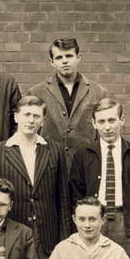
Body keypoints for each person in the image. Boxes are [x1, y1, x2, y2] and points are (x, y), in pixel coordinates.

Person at [0, 94, 70, 259]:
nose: (31, 120)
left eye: (36, 116)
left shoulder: (55, 150)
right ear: (16, 117)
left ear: (43, 120)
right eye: (26, 114)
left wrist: (64, 239)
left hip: (46, 235)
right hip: (11, 233)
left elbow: (63, 199)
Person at [69, 98, 130, 259]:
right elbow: (75, 196)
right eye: (101, 121)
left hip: (125, 224)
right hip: (92, 222)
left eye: (112, 120)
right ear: (94, 123)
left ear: (122, 120)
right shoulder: (83, 155)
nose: (107, 127)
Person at [27, 38, 108, 167]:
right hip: (48, 164)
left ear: (78, 57)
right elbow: (29, 131)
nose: (65, 61)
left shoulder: (98, 92)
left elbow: (104, 132)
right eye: (59, 57)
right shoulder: (36, 93)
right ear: (51, 62)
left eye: (69, 56)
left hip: (86, 164)